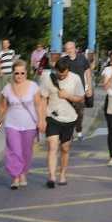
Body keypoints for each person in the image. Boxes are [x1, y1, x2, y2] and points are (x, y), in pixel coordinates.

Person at [0, 60, 45, 189]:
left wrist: (42, 120)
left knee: (26, 151)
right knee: (14, 150)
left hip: (29, 125)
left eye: (22, 73)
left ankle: (23, 172)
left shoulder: (33, 86)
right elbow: (2, 106)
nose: (19, 75)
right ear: (13, 73)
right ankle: (15, 176)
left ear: (26, 72)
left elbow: (39, 105)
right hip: (12, 124)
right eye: (16, 73)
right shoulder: (7, 88)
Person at [38, 56, 84, 187]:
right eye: (59, 74)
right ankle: (52, 177)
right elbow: (42, 99)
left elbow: (81, 99)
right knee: (52, 145)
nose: (62, 77)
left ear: (68, 70)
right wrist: (41, 119)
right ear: (55, 69)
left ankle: (62, 175)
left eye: (64, 75)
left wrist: (67, 96)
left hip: (69, 118)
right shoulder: (48, 79)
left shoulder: (75, 79)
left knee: (65, 147)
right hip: (52, 116)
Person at [63, 41, 93, 142]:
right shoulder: (64, 60)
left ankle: (79, 131)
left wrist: (89, 88)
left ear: (75, 48)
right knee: (68, 112)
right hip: (68, 91)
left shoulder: (81, 58)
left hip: (80, 90)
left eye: (71, 49)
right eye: (67, 49)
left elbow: (88, 73)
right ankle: (69, 133)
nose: (69, 51)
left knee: (79, 112)